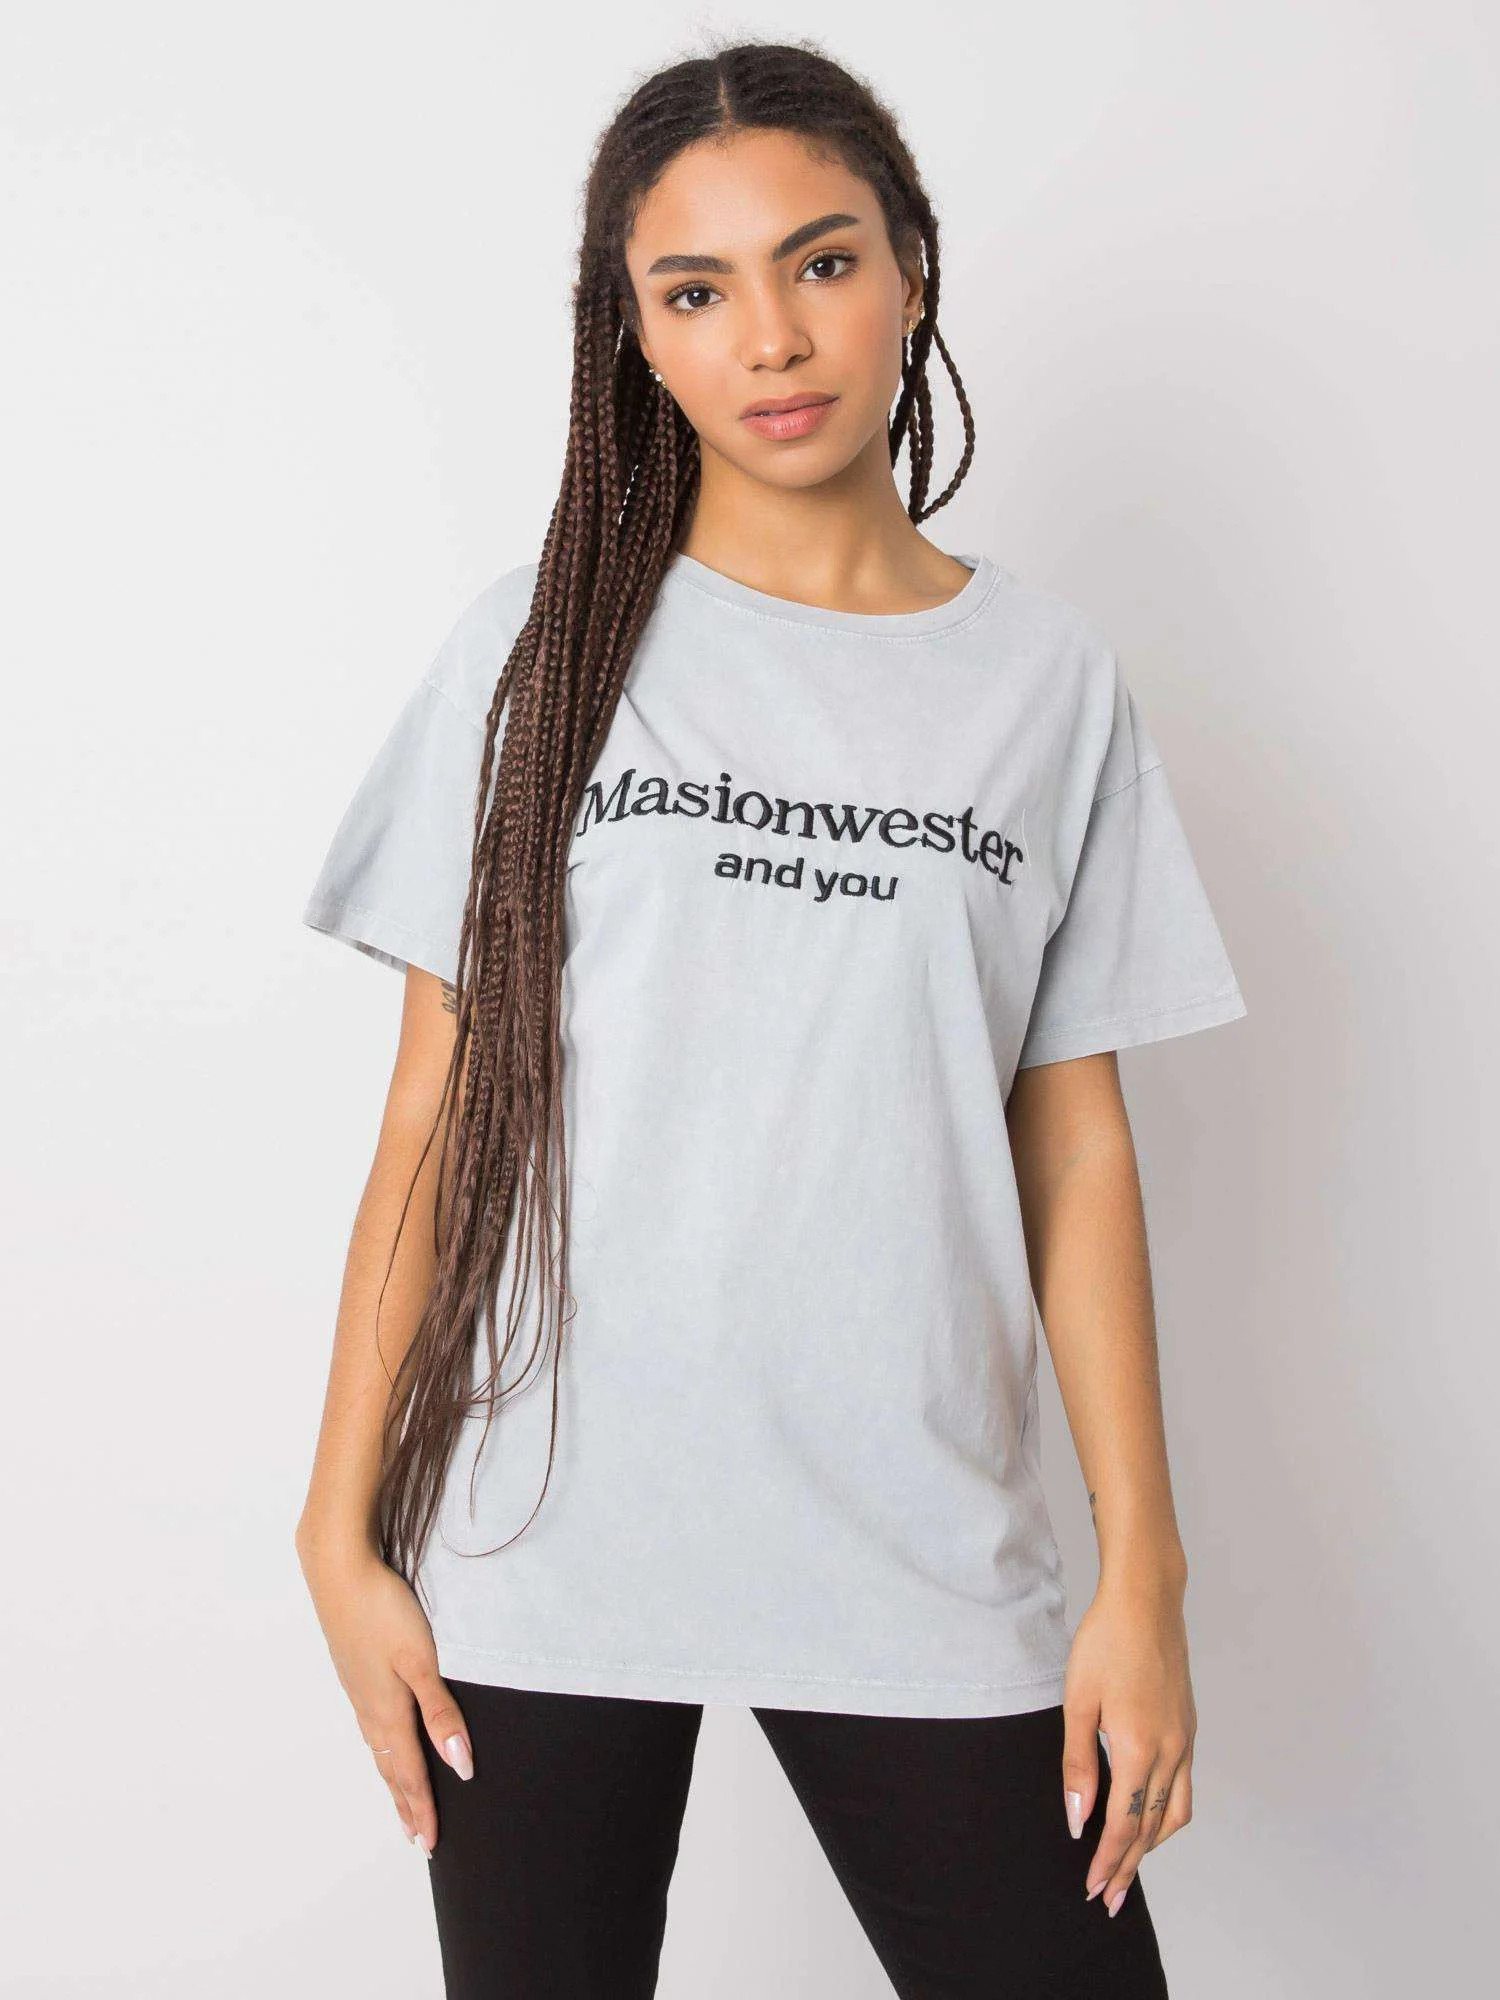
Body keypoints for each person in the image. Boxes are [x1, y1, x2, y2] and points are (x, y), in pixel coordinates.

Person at [294, 37, 1247, 2000]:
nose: (771, 338)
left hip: (919, 1547)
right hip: (539, 1553)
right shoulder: (539, 651)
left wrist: (1142, 1572)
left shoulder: (1045, 684)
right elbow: (431, 1118)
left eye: (821, 262)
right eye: (695, 290)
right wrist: (336, 1528)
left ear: (910, 268)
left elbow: (1073, 1147)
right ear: (635, 334)